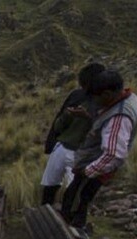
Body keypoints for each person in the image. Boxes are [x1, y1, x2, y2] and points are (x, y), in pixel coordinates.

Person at [61, 70, 137, 233]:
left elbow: (113, 154)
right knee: (79, 199)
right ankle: (74, 229)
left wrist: (88, 171)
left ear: (107, 94)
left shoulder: (118, 117)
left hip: (95, 166)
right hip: (95, 162)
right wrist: (88, 116)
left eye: (95, 97)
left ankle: (72, 236)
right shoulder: (130, 99)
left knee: (76, 200)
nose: (93, 101)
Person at [40, 63, 105, 206]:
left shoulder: (105, 103)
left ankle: (69, 220)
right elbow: (59, 123)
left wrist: (87, 117)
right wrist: (67, 116)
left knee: (73, 191)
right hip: (62, 147)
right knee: (50, 185)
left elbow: (104, 129)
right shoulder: (76, 96)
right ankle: (45, 210)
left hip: (81, 154)